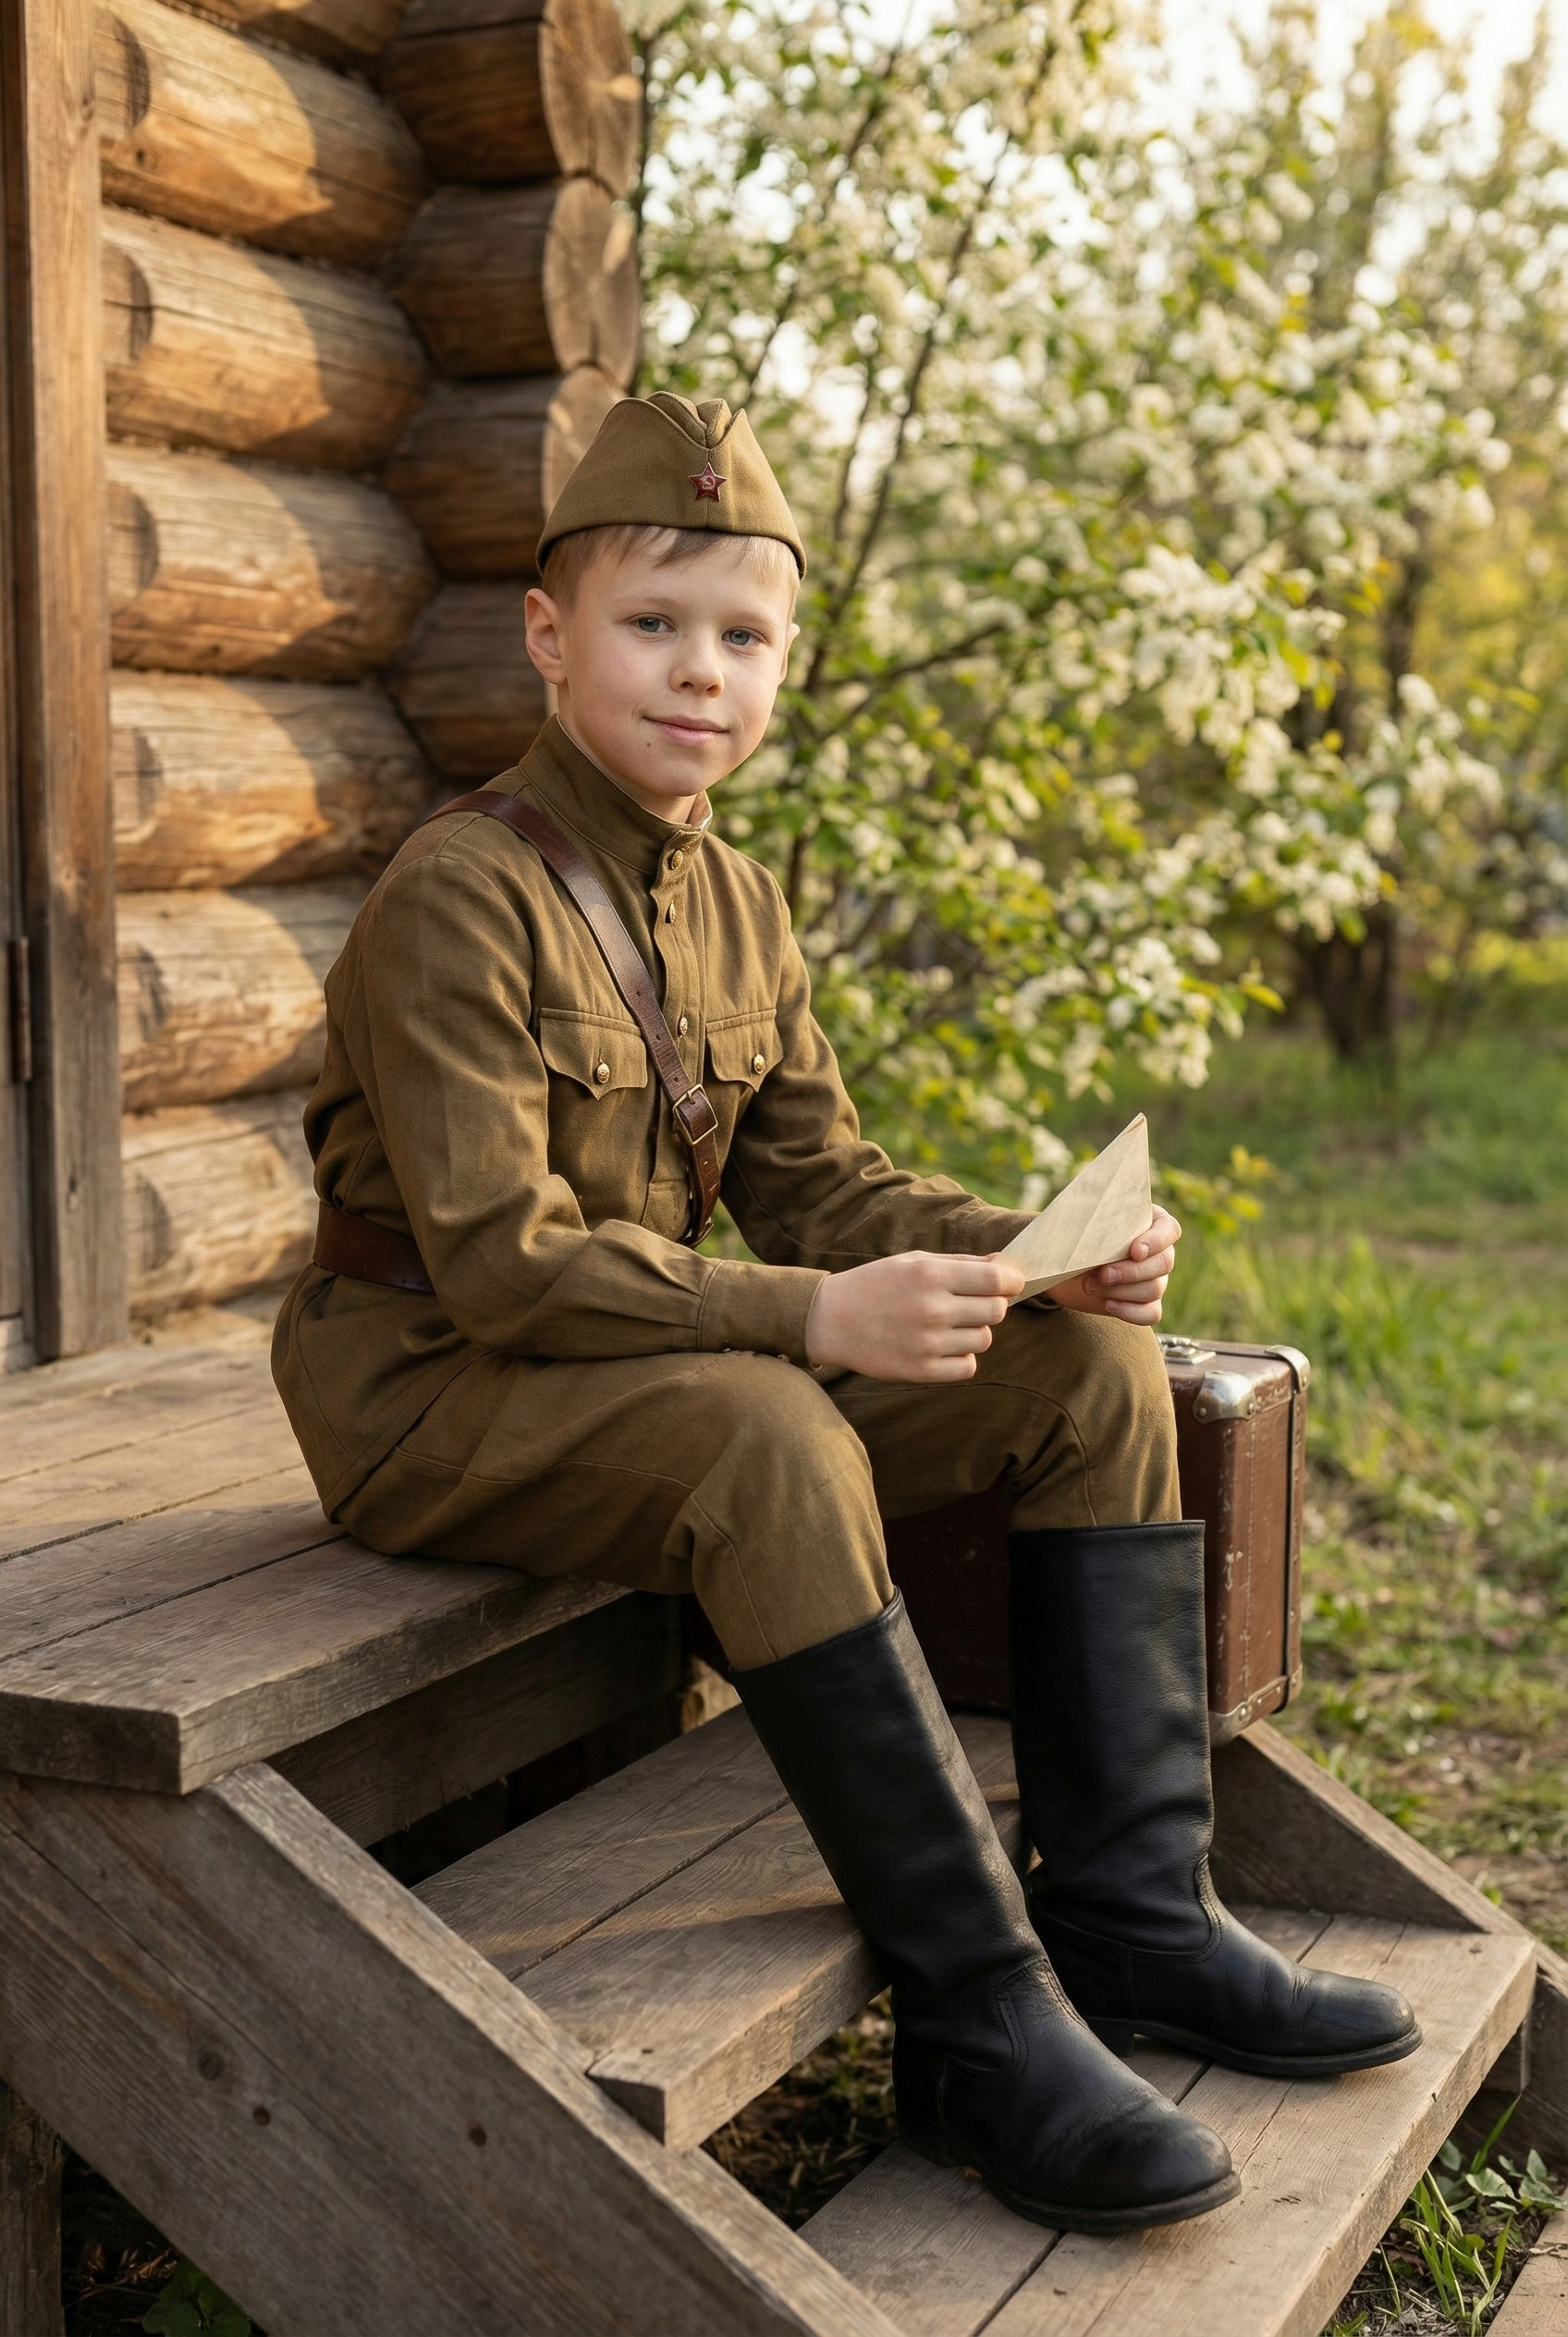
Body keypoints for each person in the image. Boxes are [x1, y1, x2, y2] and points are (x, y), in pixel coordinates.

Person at [274, 393, 1418, 2236]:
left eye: (742, 636)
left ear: (784, 663)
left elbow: (821, 1182)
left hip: (635, 1368)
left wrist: (1031, 1252)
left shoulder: (736, 902)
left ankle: (1126, 1918)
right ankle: (974, 2018)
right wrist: (812, 1315)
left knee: (1081, 1363)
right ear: (551, 638)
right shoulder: (458, 896)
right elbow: (499, 1265)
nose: (698, 673)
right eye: (653, 626)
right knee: (771, 1422)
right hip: (435, 1389)